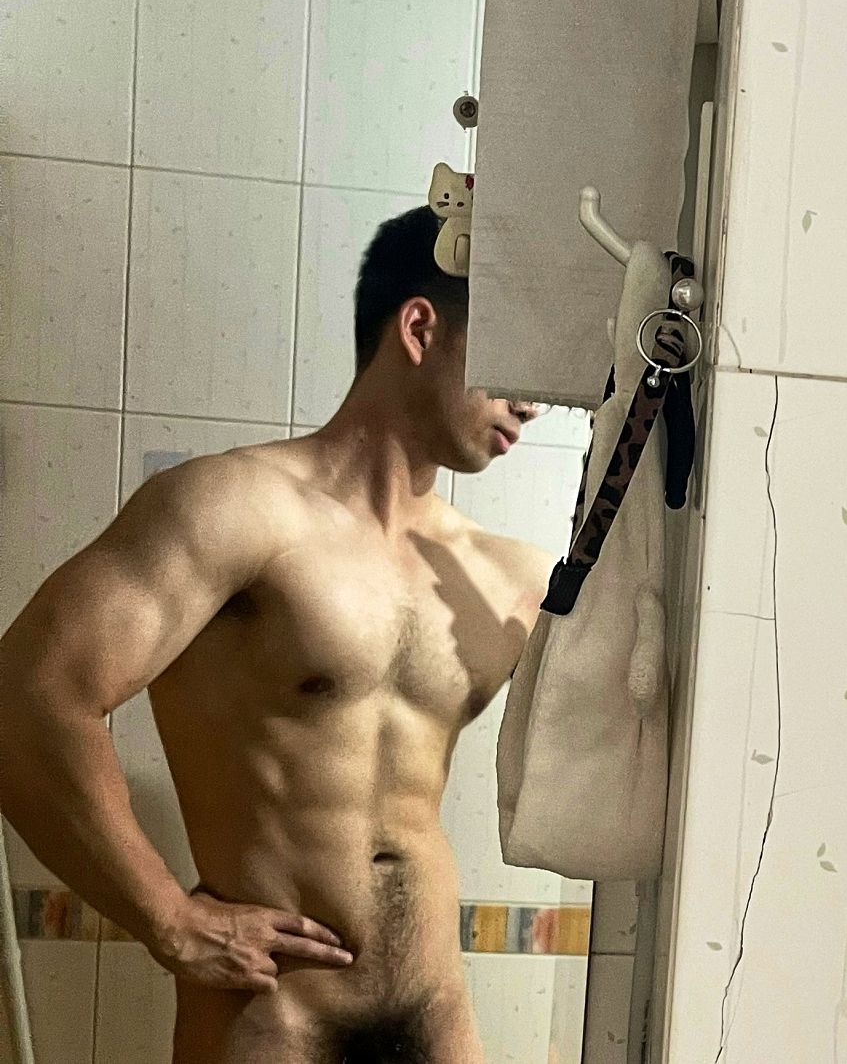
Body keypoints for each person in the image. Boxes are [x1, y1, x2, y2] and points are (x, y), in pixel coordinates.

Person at [0, 205, 560, 1063]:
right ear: (420, 329)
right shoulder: (234, 509)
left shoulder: (508, 578)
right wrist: (169, 920)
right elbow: (28, 698)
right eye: (512, 362)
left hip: (438, 1021)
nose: (533, 401)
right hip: (272, 1026)